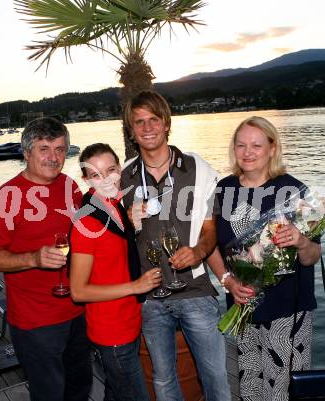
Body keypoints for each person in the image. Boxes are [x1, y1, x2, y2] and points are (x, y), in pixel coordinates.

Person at [121, 90, 231, 401]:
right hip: (151, 298)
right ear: (131, 130)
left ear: (167, 123)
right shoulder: (125, 176)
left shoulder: (198, 168)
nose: (147, 127)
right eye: (138, 122)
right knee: (163, 381)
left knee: (216, 377)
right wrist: (128, 221)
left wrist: (197, 252)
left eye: (153, 120)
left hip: (195, 292)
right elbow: (113, 236)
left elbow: (210, 228)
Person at [0, 117, 92, 401]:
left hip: (78, 309)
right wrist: (33, 258)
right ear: (26, 152)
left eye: (60, 149)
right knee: (49, 394)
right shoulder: (5, 197)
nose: (53, 157)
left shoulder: (69, 186)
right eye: (44, 149)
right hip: (36, 322)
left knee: (79, 387)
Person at [213, 116, 321, 401]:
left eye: (256, 145)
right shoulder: (223, 190)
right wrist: (228, 281)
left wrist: (301, 241)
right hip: (244, 308)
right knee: (250, 387)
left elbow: (312, 258)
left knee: (283, 392)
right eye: (241, 145)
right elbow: (210, 246)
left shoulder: (295, 192)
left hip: (287, 312)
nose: (247, 152)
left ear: (273, 148)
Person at [70, 143, 162, 401]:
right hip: (111, 333)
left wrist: (134, 224)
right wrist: (135, 286)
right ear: (86, 179)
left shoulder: (116, 206)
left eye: (111, 170)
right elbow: (78, 291)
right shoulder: (86, 222)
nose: (106, 179)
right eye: (95, 175)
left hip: (130, 321)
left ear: (120, 169)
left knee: (116, 392)